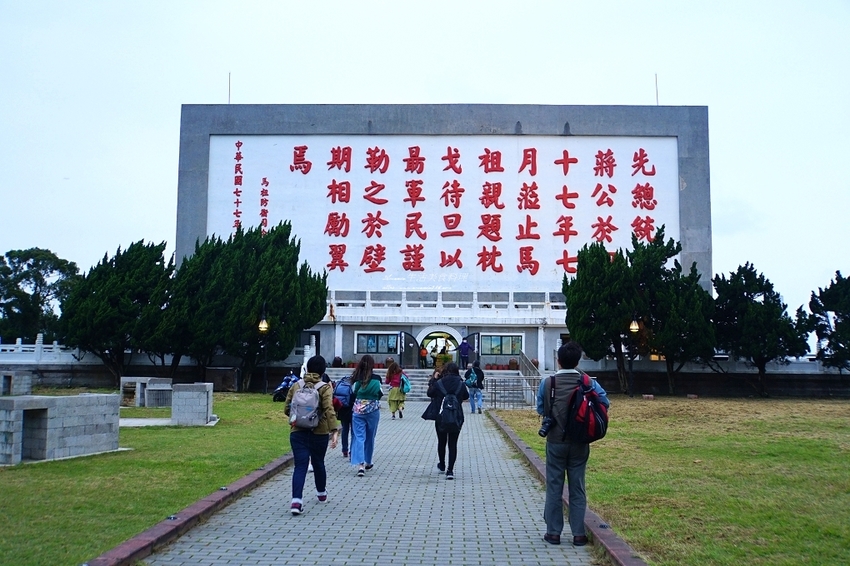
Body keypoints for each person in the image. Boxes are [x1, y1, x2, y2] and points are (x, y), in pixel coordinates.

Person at [536, 341, 609, 546]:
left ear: (558, 360)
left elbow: (540, 408)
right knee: (577, 487)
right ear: (578, 361)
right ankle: (578, 534)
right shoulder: (587, 381)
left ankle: (553, 533)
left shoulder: (548, 383)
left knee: (554, 487)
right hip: (580, 442)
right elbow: (604, 402)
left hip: (555, 441)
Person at [284, 355, 339, 515]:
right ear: (323, 371)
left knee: (300, 466)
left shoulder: (296, 385)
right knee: (318, 462)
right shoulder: (324, 387)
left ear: (307, 368)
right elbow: (329, 409)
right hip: (319, 432)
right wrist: (334, 429)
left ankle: (296, 501)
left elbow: (287, 408)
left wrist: (299, 418)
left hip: (297, 431)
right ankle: (321, 493)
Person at [425, 362, 469, 480]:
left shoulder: (440, 383)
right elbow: (466, 396)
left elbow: (430, 393)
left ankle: (442, 464)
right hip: (456, 416)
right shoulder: (461, 383)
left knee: (442, 441)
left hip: (441, 416)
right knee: (453, 443)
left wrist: (434, 380)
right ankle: (450, 470)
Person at [350, 354, 382, 477]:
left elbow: (353, 393)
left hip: (358, 411)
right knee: (370, 436)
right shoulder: (377, 379)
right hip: (373, 410)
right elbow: (380, 393)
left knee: (359, 437)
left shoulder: (357, 379)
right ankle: (368, 461)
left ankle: (360, 464)